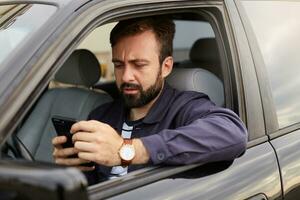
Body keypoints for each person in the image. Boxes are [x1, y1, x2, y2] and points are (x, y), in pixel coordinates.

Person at [52, 16, 248, 184]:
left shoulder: (184, 107)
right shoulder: (101, 116)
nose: (126, 76)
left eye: (139, 65)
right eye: (119, 65)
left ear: (166, 67)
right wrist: (73, 169)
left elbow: (232, 132)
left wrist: (128, 150)